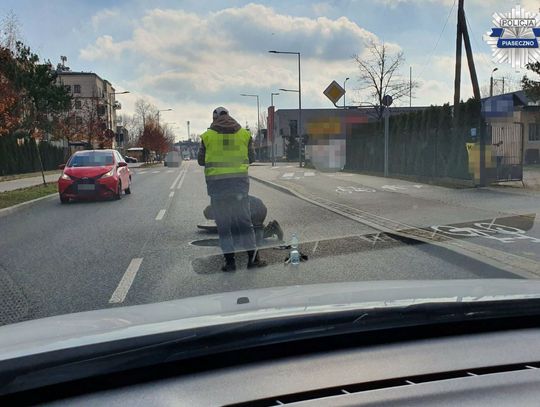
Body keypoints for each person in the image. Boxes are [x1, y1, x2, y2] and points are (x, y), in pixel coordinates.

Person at [198, 107, 266, 272]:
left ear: (214, 119)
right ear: (229, 116)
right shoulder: (244, 134)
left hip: (217, 189)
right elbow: (251, 158)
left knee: (224, 226)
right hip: (239, 188)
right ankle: (253, 260)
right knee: (245, 224)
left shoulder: (207, 136)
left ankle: (230, 263)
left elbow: (201, 160)